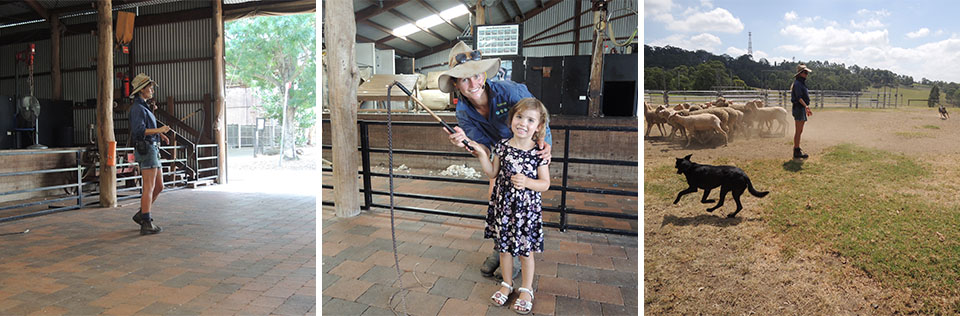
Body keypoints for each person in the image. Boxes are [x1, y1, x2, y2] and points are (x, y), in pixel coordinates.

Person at [438, 41, 553, 280]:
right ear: (457, 85)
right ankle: (501, 251)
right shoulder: (463, 112)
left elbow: (537, 116)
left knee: (521, 209)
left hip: (526, 154)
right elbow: (483, 146)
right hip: (501, 154)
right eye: (465, 79)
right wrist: (466, 143)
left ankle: (520, 254)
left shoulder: (510, 91)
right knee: (497, 202)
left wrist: (545, 143)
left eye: (477, 75)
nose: (474, 84)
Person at [467, 98, 550, 314]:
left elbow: (545, 184)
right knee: (503, 249)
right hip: (504, 209)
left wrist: (528, 182)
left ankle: (526, 289)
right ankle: (506, 283)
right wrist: (482, 154)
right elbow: (492, 172)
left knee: (525, 252)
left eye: (530, 120)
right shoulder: (502, 147)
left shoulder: (538, 153)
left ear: (539, 126)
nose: (523, 123)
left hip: (525, 213)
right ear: (511, 119)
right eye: (519, 117)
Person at [128, 73, 169, 235]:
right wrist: (159, 130)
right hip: (146, 149)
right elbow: (139, 131)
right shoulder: (137, 108)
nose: (152, 90)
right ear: (141, 90)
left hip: (152, 147)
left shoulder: (143, 106)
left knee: (159, 186)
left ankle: (142, 214)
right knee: (149, 187)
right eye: (149, 87)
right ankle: (146, 221)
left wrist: (160, 134)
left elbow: (146, 129)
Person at [790, 64, 813, 159]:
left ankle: (797, 150)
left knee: (799, 131)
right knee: (798, 131)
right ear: (800, 73)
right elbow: (799, 97)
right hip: (799, 108)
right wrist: (806, 106)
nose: (806, 74)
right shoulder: (798, 84)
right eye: (805, 72)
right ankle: (796, 150)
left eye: (807, 72)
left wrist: (805, 107)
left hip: (800, 108)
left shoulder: (800, 83)